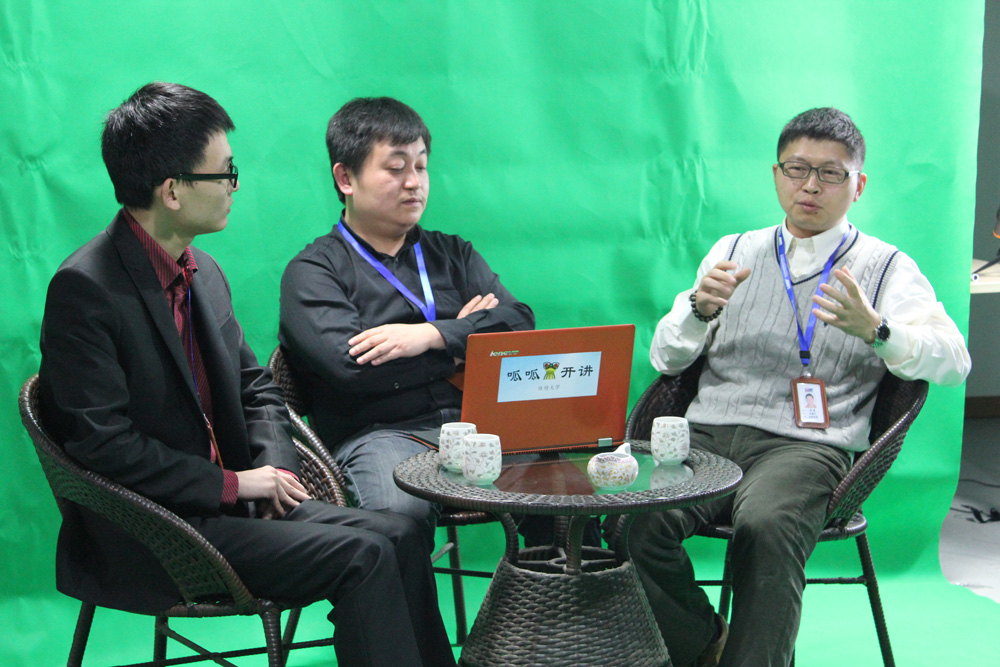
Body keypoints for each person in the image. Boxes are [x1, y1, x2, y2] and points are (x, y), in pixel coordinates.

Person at [38, 82, 455, 667]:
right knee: (363, 555)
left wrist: (274, 471)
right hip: (159, 528)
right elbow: (104, 446)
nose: (235, 186)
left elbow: (256, 389)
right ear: (173, 191)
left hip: (234, 507)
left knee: (401, 534)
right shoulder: (85, 289)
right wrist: (232, 485)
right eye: (225, 173)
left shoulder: (202, 270)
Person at [630, 107, 971, 667]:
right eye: (797, 169)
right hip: (705, 438)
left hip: (805, 447)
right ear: (776, 175)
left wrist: (878, 331)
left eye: (831, 173)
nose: (810, 186)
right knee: (631, 521)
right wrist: (697, 309)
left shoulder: (887, 267)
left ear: (858, 185)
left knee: (766, 528)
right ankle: (704, 643)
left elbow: (956, 362)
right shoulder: (732, 251)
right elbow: (665, 358)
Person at [279, 97, 534, 548]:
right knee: (400, 517)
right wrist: (463, 348)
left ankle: (555, 598)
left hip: (477, 425)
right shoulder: (314, 272)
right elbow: (352, 371)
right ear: (345, 178)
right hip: (382, 435)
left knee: (564, 487)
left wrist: (430, 335)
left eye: (421, 166)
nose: (414, 182)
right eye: (396, 168)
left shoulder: (453, 253)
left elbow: (519, 325)